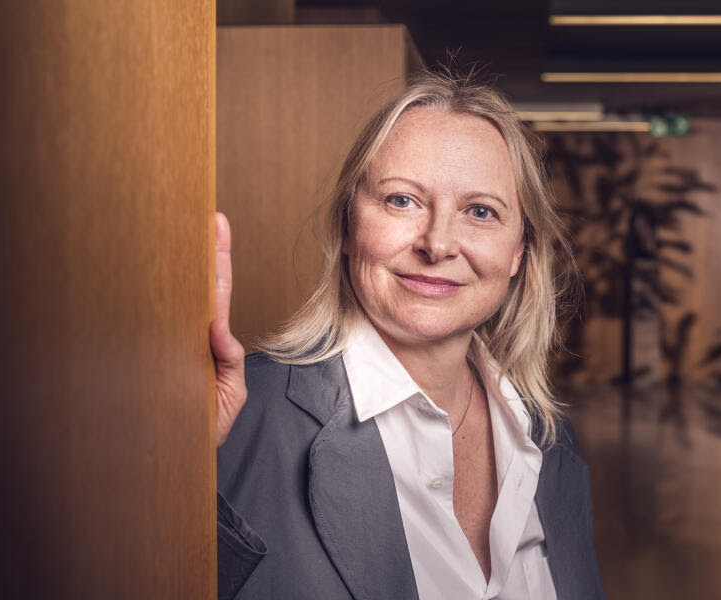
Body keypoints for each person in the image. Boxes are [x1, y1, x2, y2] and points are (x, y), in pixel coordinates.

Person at [209, 70, 605, 600]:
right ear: (349, 227)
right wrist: (178, 465)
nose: (438, 244)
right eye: (402, 201)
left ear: (518, 253)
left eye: (480, 211)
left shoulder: (543, 432)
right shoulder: (239, 422)